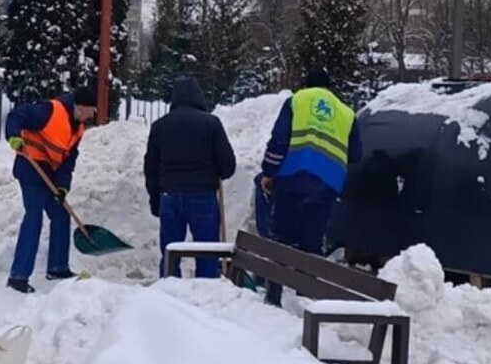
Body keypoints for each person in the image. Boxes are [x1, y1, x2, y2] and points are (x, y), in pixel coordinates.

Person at [3, 85, 99, 293]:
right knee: (34, 216)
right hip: (30, 168)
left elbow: (68, 159)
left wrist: (63, 185)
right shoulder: (50, 110)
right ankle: (18, 276)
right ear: (81, 107)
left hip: (50, 175)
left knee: (61, 214)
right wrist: (13, 136)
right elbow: (17, 115)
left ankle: (57, 267)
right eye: (91, 110)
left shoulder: (78, 128)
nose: (92, 115)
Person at [143, 75, 237, 278]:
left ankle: (168, 291)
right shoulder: (211, 123)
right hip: (203, 196)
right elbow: (227, 165)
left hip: (169, 195)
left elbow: (151, 166)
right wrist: (219, 171)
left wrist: (155, 199)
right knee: (207, 252)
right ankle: (206, 289)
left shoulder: (160, 126)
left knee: (170, 253)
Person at [259, 68, 356, 256]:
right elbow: (355, 153)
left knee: (283, 241)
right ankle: (306, 274)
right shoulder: (347, 113)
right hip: (327, 185)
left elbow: (279, 141)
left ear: (306, 85)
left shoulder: (296, 100)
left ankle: (278, 273)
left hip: (292, 179)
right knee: (312, 244)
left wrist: (268, 172)